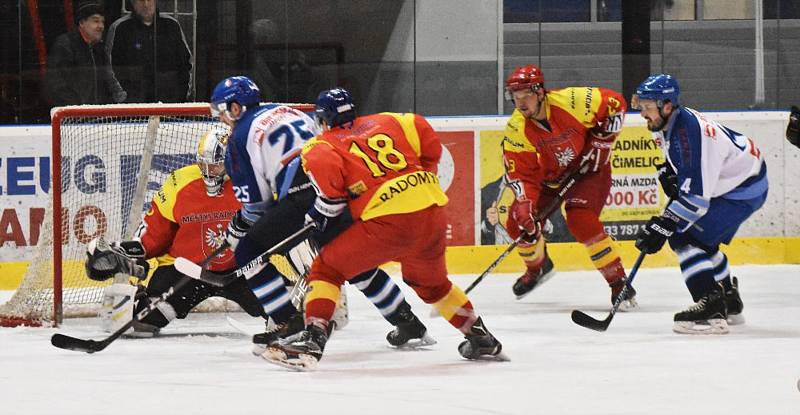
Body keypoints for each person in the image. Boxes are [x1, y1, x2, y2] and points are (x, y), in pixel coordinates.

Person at [263, 88, 507, 371]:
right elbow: (428, 141)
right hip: (432, 213)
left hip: (389, 223)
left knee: (327, 269)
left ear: (324, 119)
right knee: (433, 285)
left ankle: (312, 340)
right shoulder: (393, 120)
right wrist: (420, 176)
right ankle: (481, 337)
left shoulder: (320, 146)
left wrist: (313, 218)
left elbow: (331, 202)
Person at [209, 76, 433, 351]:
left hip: (302, 192)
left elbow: (258, 207)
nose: (221, 118)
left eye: (221, 111)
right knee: (349, 257)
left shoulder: (240, 135)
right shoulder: (288, 111)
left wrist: (236, 231)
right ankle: (406, 320)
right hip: (336, 187)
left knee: (247, 251)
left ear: (235, 108)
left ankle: (287, 322)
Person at [84, 128, 271, 337]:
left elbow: (277, 226)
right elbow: (155, 234)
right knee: (142, 324)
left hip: (242, 269)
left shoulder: (253, 182)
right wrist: (130, 252)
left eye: (216, 165)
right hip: (187, 270)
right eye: (204, 164)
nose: (208, 171)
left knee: (288, 314)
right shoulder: (179, 183)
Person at [631, 74, 768, 335]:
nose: (643, 113)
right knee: (703, 241)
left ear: (667, 105)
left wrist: (663, 226)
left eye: (648, 107)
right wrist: (670, 174)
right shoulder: (669, 123)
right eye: (642, 106)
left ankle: (711, 305)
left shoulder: (689, 135)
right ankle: (729, 299)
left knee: (683, 237)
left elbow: (695, 200)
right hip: (738, 181)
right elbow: (677, 169)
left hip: (743, 188)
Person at [501, 64, 637, 309]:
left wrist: (603, 140)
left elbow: (616, 103)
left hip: (588, 172)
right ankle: (538, 266)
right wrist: (524, 204)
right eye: (515, 97)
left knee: (580, 220)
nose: (520, 103)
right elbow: (521, 173)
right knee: (516, 223)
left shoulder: (572, 101)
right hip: (549, 181)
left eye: (526, 96)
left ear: (540, 92)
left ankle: (619, 283)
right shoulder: (517, 127)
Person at [106, 0, 192, 103]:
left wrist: (181, 96)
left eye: (149, 0)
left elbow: (187, 63)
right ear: (133, 3)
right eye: (141, 0)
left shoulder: (171, 25)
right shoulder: (120, 28)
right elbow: (110, 66)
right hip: (133, 108)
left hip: (169, 105)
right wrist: (123, 98)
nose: (146, 4)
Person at [45, 1, 126, 106]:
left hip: (98, 116)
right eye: (96, 21)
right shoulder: (65, 46)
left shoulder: (100, 49)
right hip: (74, 116)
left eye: (102, 22)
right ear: (81, 22)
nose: (101, 26)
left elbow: (107, 82)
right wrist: (78, 108)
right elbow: (57, 84)